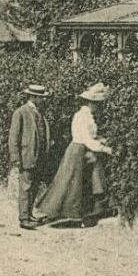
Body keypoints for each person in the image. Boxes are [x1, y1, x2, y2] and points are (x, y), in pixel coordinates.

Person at [37, 82, 115, 226]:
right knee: (70, 183)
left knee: (81, 182)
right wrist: (106, 149)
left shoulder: (88, 116)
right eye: (98, 104)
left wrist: (103, 140)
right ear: (91, 103)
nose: (99, 107)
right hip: (78, 151)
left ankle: (82, 214)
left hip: (84, 151)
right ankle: (60, 213)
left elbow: (92, 136)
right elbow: (86, 139)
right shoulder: (82, 116)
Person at [6, 84, 53, 231]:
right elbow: (13, 138)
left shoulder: (40, 113)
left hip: (38, 156)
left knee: (34, 186)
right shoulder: (20, 113)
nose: (43, 100)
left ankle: (30, 214)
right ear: (33, 97)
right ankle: (24, 218)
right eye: (40, 98)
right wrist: (15, 158)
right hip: (26, 156)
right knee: (25, 187)